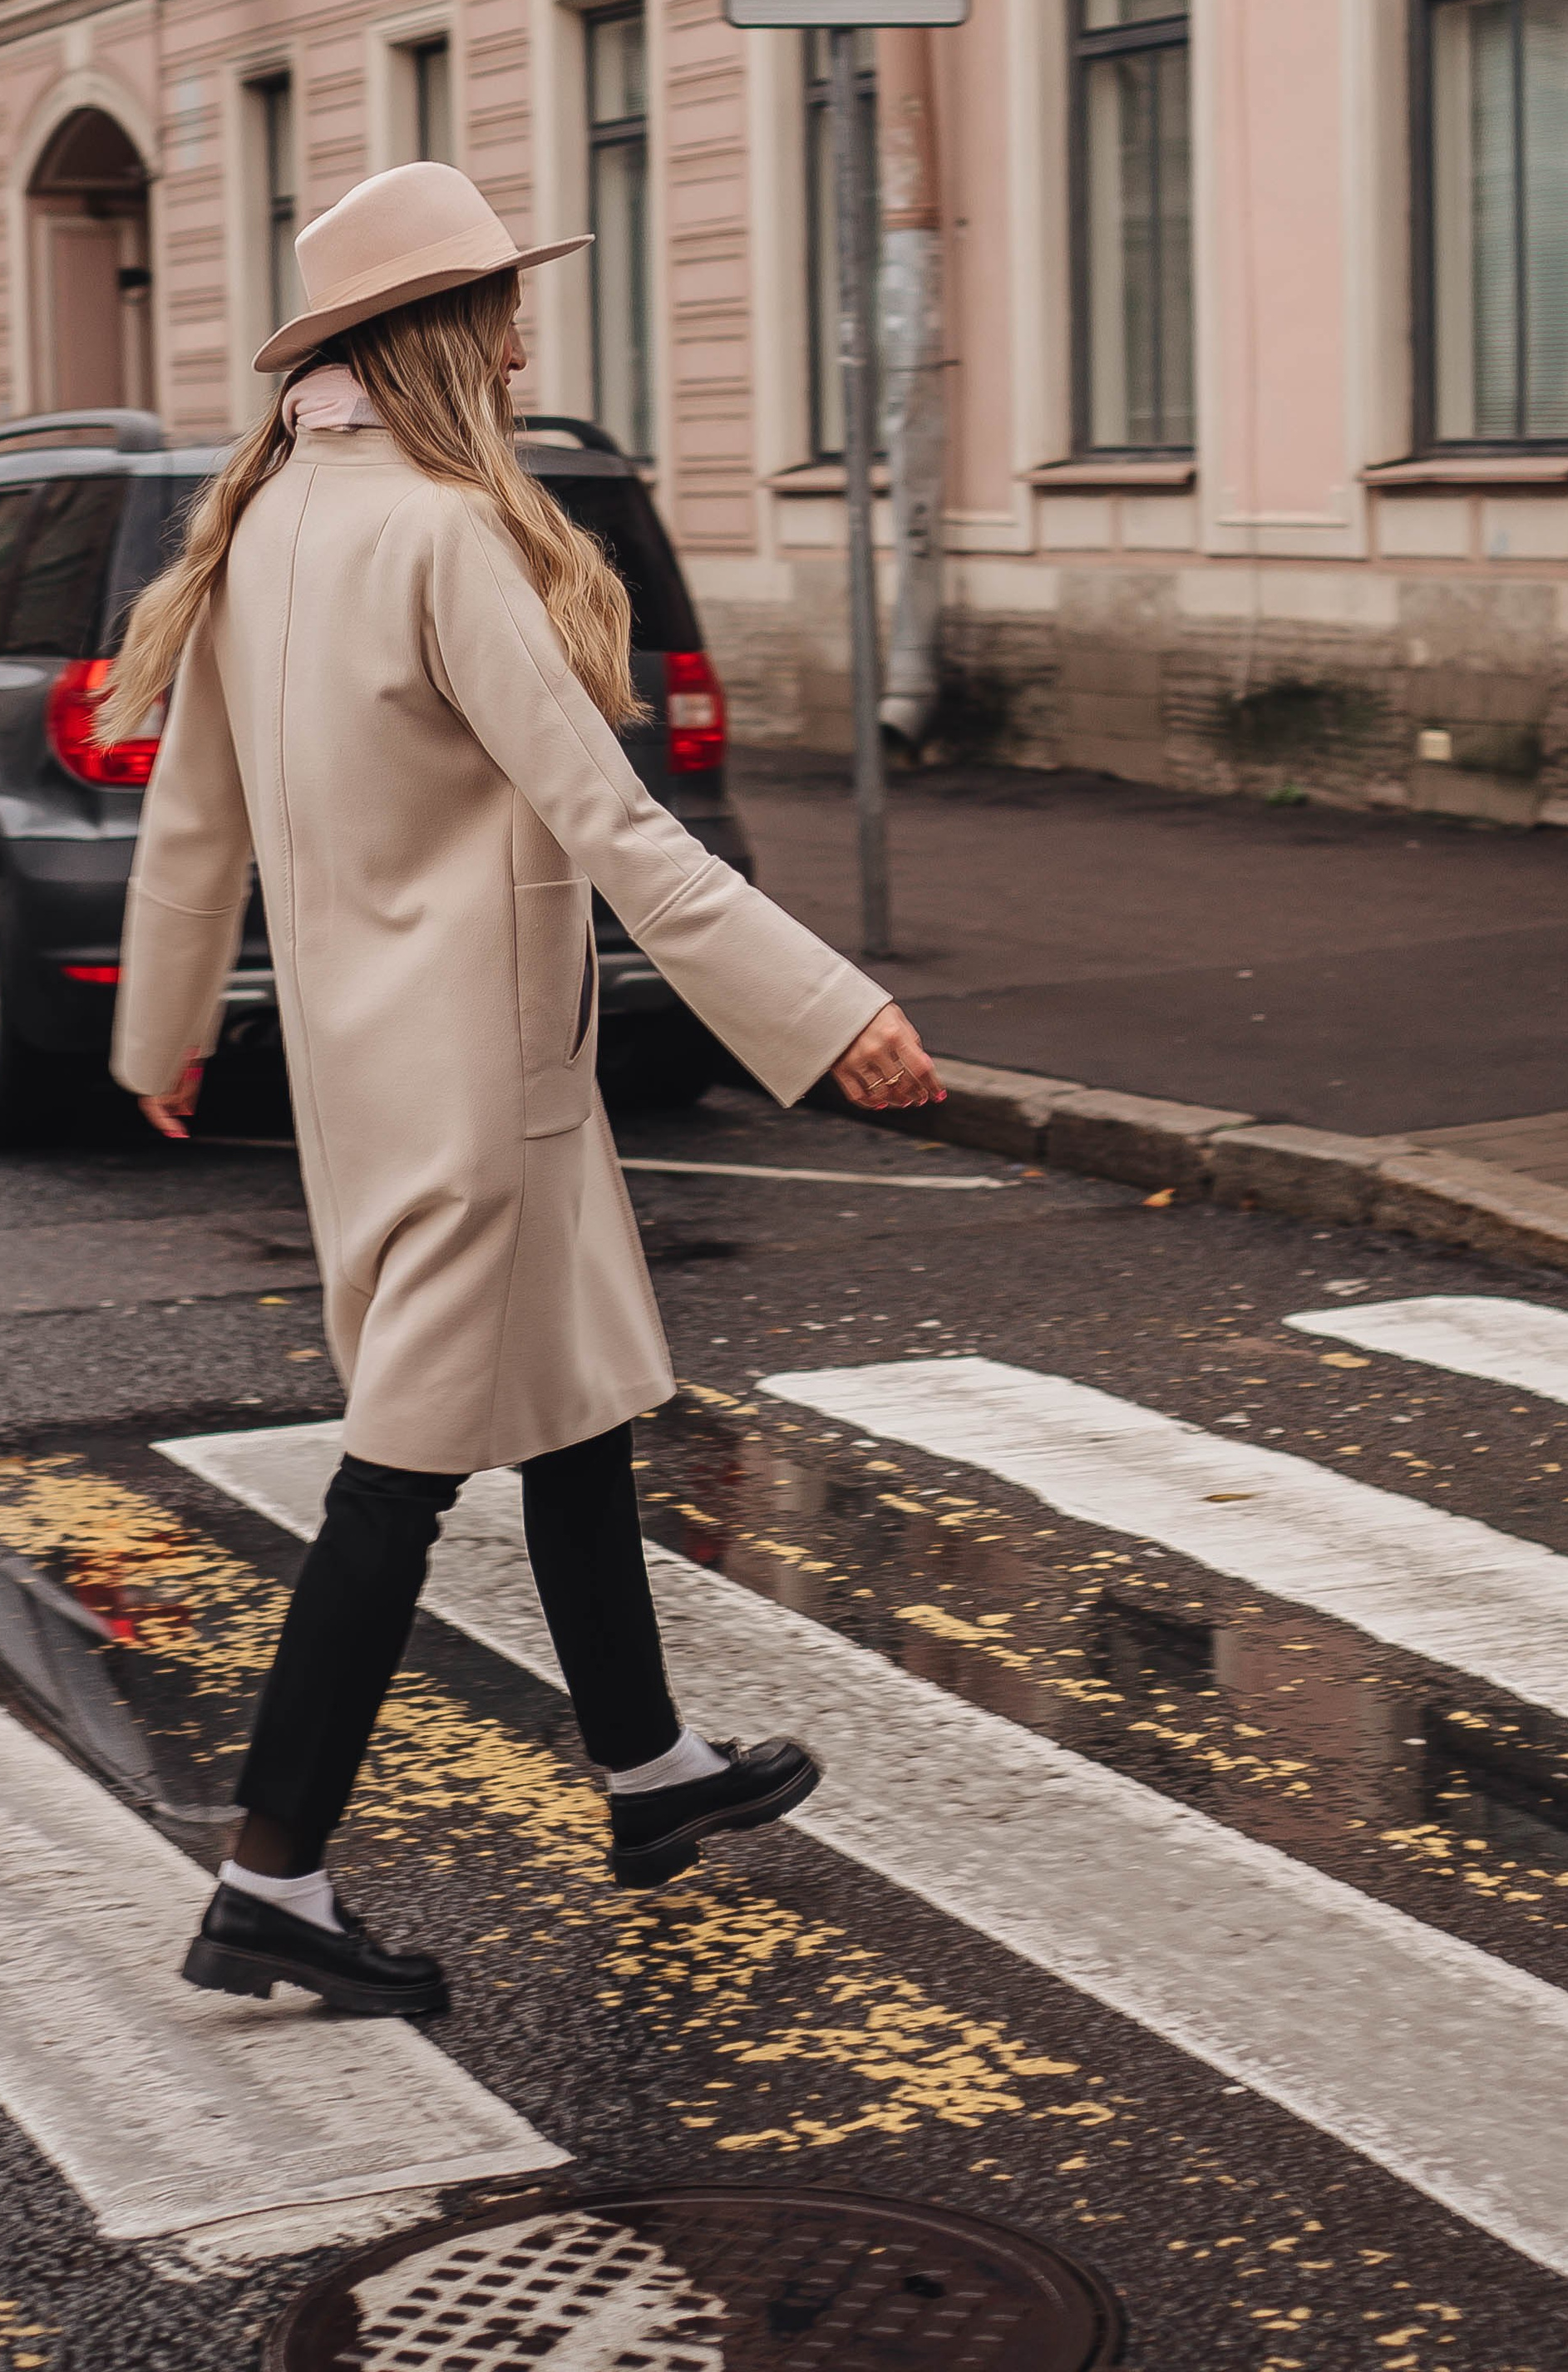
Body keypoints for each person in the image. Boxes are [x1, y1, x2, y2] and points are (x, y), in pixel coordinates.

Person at [104, 160, 943, 2019]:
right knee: (394, 1487)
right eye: (493, 302)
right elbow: (612, 823)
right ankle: (273, 1882)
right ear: (424, 339)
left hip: (385, 1064)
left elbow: (195, 817)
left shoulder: (262, 533)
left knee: (565, 1411)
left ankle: (644, 1775)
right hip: (478, 1075)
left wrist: (158, 1026)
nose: (518, 328)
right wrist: (821, 1012)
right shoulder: (436, 536)